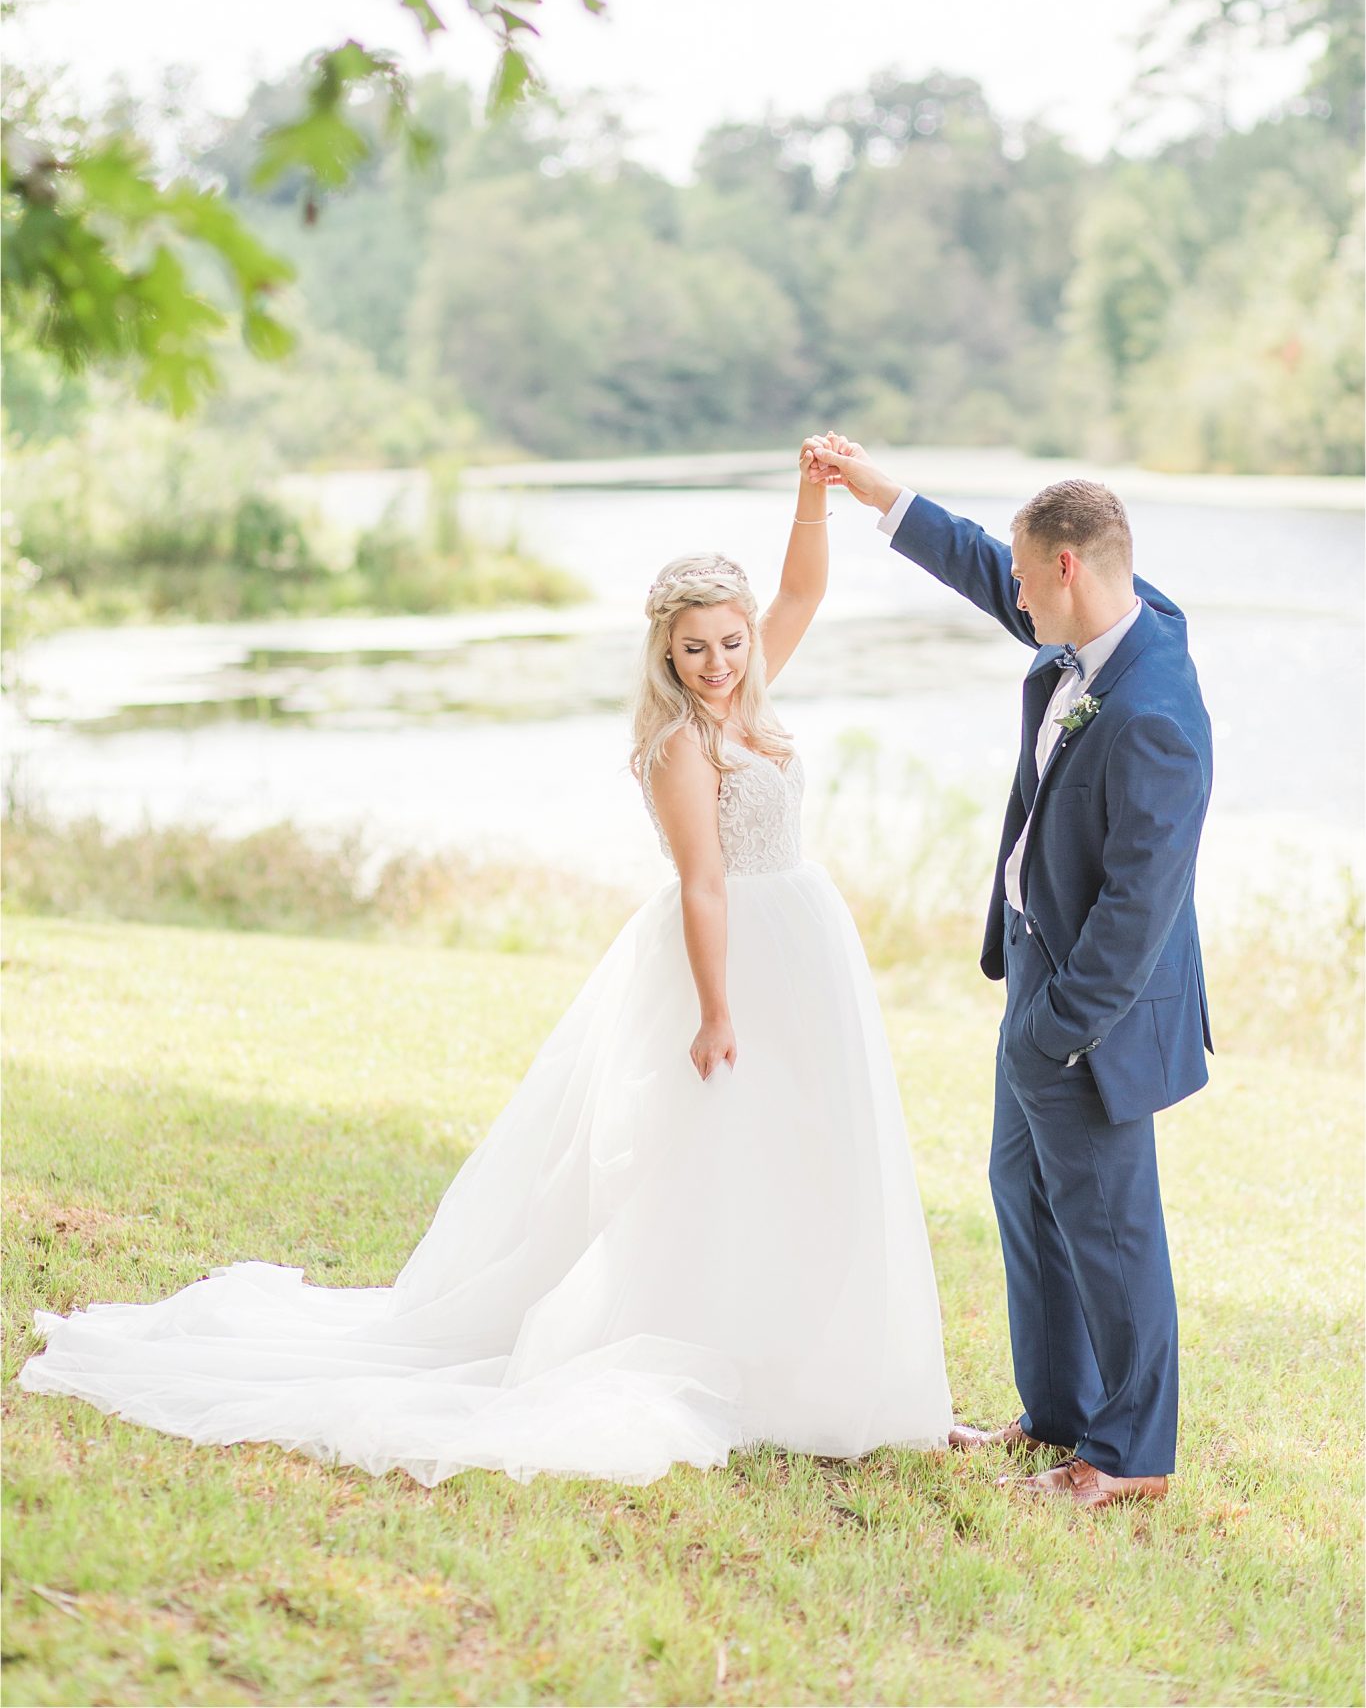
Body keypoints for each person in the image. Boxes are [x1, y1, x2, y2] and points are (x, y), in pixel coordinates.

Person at [18, 444, 954, 1487]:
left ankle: (805, 1350)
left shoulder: (750, 688)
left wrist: (812, 493)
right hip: (733, 955)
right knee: (713, 1152)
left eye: (729, 642)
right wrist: (715, 1007)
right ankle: (712, 1345)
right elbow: (701, 881)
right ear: (665, 652)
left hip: (803, 942)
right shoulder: (680, 744)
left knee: (805, 1145)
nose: (718, 662)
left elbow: (803, 587)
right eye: (694, 649)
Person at [806, 435, 1213, 1513]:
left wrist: (1057, 1028)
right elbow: (990, 564)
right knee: (1025, 1193)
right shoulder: (1101, 623)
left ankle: (1129, 1452)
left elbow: (1139, 908)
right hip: (1034, 974)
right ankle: (1057, 1411)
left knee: (1110, 1225)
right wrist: (876, 490)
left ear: (1072, 568)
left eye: (1031, 577)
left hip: (1091, 1011)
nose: (1017, 594)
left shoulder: (1156, 712)